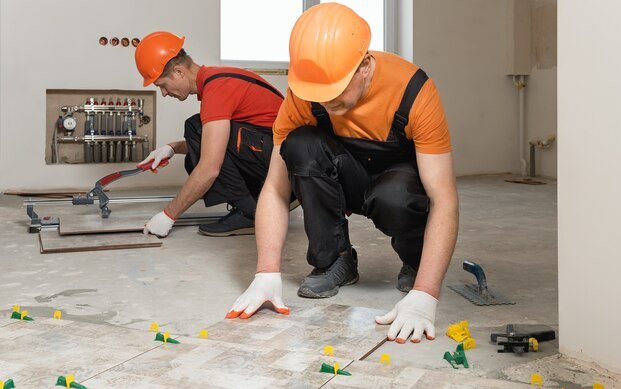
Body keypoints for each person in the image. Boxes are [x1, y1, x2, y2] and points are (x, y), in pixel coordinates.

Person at [227, 3, 459, 344]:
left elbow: (444, 199)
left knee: (396, 196)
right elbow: (276, 191)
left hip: (396, 181)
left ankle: (415, 261)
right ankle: (334, 261)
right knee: (301, 145)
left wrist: (427, 292)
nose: (324, 102)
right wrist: (266, 272)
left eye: (334, 93)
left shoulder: (413, 91)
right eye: (317, 95)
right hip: (345, 174)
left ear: (364, 66)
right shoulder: (304, 94)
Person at [134, 31, 285, 237]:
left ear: (178, 72)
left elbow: (210, 168)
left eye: (162, 85)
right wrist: (171, 148)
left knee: (195, 128)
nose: (164, 93)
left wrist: (169, 215)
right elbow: (219, 140)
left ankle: (249, 212)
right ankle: (254, 202)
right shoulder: (217, 78)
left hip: (283, 167)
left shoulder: (217, 89)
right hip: (275, 156)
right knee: (195, 142)